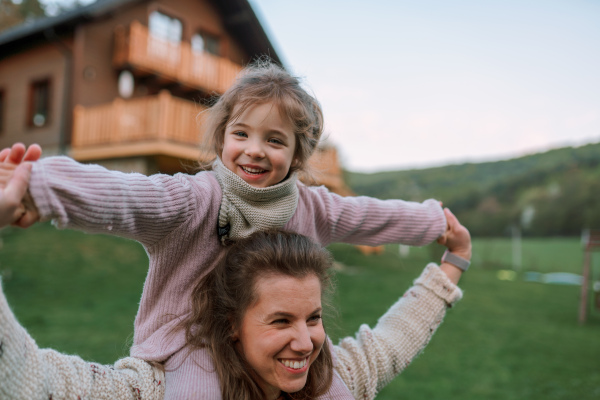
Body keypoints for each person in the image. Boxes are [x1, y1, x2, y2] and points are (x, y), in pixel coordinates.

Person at [0, 61, 450, 398]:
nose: (254, 151)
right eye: (241, 134)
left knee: (332, 388)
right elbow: (124, 196)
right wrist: (36, 186)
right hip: (190, 346)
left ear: (296, 155)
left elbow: (372, 217)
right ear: (222, 140)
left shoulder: (315, 208)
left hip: (282, 355)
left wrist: (435, 223)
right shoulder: (193, 200)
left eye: (274, 140)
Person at [0, 213, 471, 399]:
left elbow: (394, 338)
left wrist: (454, 262)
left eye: (313, 318)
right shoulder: (161, 389)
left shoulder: (337, 376)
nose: (305, 342)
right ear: (232, 325)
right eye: (280, 321)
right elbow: (33, 378)